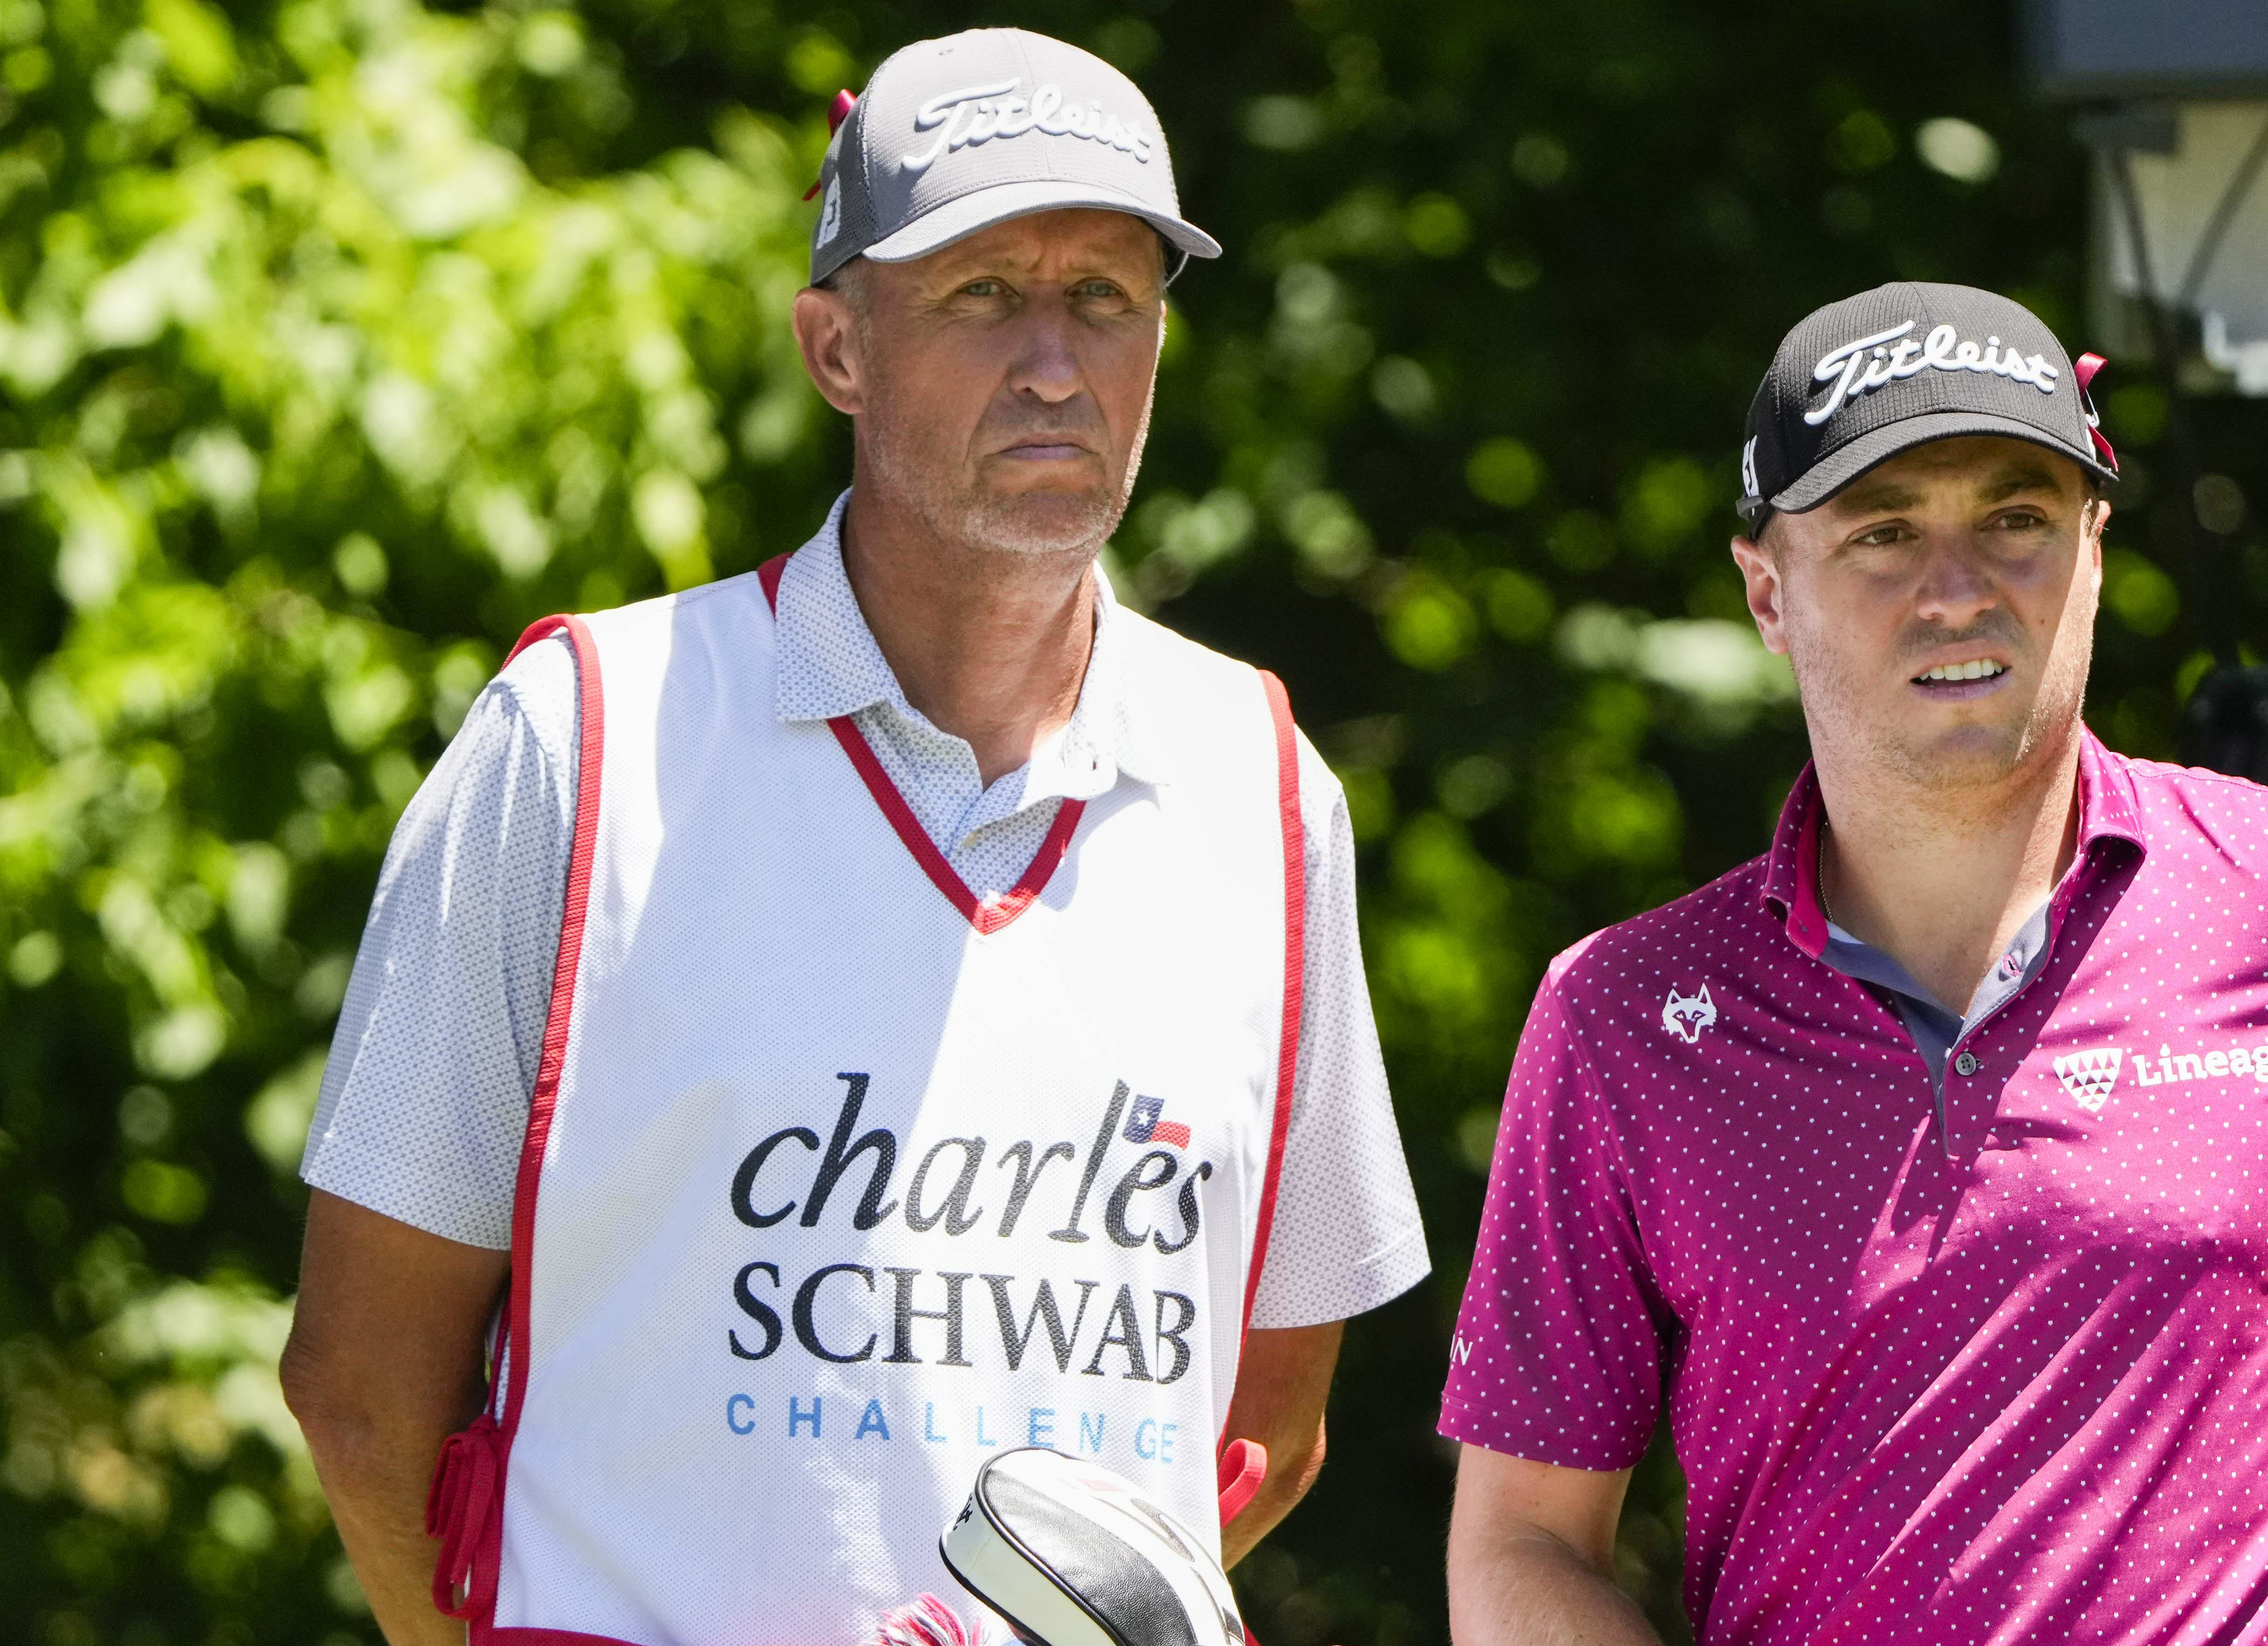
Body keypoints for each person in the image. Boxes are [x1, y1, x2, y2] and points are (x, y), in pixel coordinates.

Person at [279, 28, 1427, 1646]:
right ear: (836, 348)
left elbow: (1263, 1430)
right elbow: (358, 1388)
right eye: (979, 295)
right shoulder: (585, 735)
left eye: (1105, 297)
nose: (1054, 363)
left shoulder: (1264, 785)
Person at [1438, 282, 2268, 1646]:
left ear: (2095, 550)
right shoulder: (1627, 1014)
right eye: (1882, 533)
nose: (1956, 590)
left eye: (2014, 519)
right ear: (1767, 591)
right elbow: (1522, 1542)